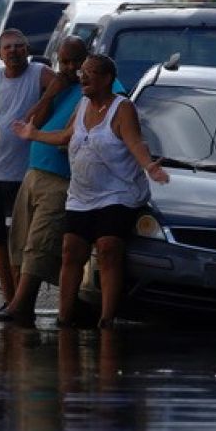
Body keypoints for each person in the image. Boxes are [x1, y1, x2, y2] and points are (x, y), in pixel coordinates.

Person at [13, 54, 169, 328]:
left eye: (90, 72)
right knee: (71, 251)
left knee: (108, 248)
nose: (82, 76)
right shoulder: (83, 104)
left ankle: (106, 318)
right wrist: (33, 134)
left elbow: (135, 142)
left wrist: (149, 166)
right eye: (82, 72)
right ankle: (64, 317)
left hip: (117, 194)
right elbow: (66, 135)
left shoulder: (122, 108)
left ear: (107, 79)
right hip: (82, 195)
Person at [0, 36, 89, 326]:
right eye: (65, 62)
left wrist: (36, 135)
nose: (70, 68)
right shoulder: (60, 86)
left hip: (61, 177)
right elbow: (31, 120)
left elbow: (68, 136)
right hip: (33, 171)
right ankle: (18, 302)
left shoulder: (92, 89)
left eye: (76, 62)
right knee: (19, 242)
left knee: (40, 242)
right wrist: (49, 94)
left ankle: (22, 305)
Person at [0, 29, 56, 313]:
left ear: (28, 49)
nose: (13, 51)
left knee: (22, 242)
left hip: (24, 176)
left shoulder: (40, 74)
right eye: (7, 47)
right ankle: (9, 300)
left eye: (19, 46)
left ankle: (22, 302)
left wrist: (43, 111)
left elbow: (63, 87)